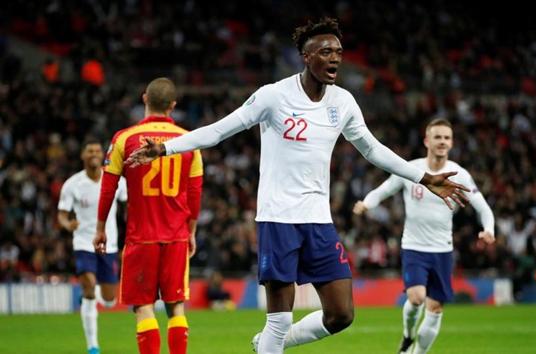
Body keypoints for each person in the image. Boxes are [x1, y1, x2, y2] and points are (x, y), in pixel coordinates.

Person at [125, 18, 469, 354]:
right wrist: (166, 147)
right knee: (279, 318)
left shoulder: (343, 102)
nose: (334, 57)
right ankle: (273, 340)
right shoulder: (273, 96)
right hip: (278, 218)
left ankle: (272, 345)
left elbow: (372, 149)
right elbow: (219, 129)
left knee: (341, 314)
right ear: (306, 57)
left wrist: (423, 176)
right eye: (325, 51)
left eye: (338, 51)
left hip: (318, 220)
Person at [353, 118, 495, 354]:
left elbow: (483, 208)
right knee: (417, 297)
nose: (442, 142)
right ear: (427, 141)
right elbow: (385, 189)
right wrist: (367, 203)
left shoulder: (459, 174)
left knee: (435, 307)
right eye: (437, 137)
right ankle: (408, 335)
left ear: (451, 143)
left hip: (442, 250)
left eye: (446, 138)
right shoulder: (413, 169)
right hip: (414, 246)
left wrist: (488, 229)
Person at [93, 78, 203, 354]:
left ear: (145, 99)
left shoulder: (124, 139)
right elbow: (194, 194)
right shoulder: (190, 141)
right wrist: (191, 232)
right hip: (176, 236)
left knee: (143, 307)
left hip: (141, 238)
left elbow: (108, 188)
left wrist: (100, 228)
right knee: (176, 306)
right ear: (173, 106)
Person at [57, 139, 127, 354]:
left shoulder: (118, 181)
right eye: (90, 151)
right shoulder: (72, 184)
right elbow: (62, 215)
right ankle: (93, 347)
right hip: (83, 242)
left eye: (97, 150)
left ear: (103, 155)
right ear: (83, 155)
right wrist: (69, 224)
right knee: (88, 283)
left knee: (108, 300)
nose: (94, 153)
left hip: (109, 244)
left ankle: (93, 295)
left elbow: (129, 205)